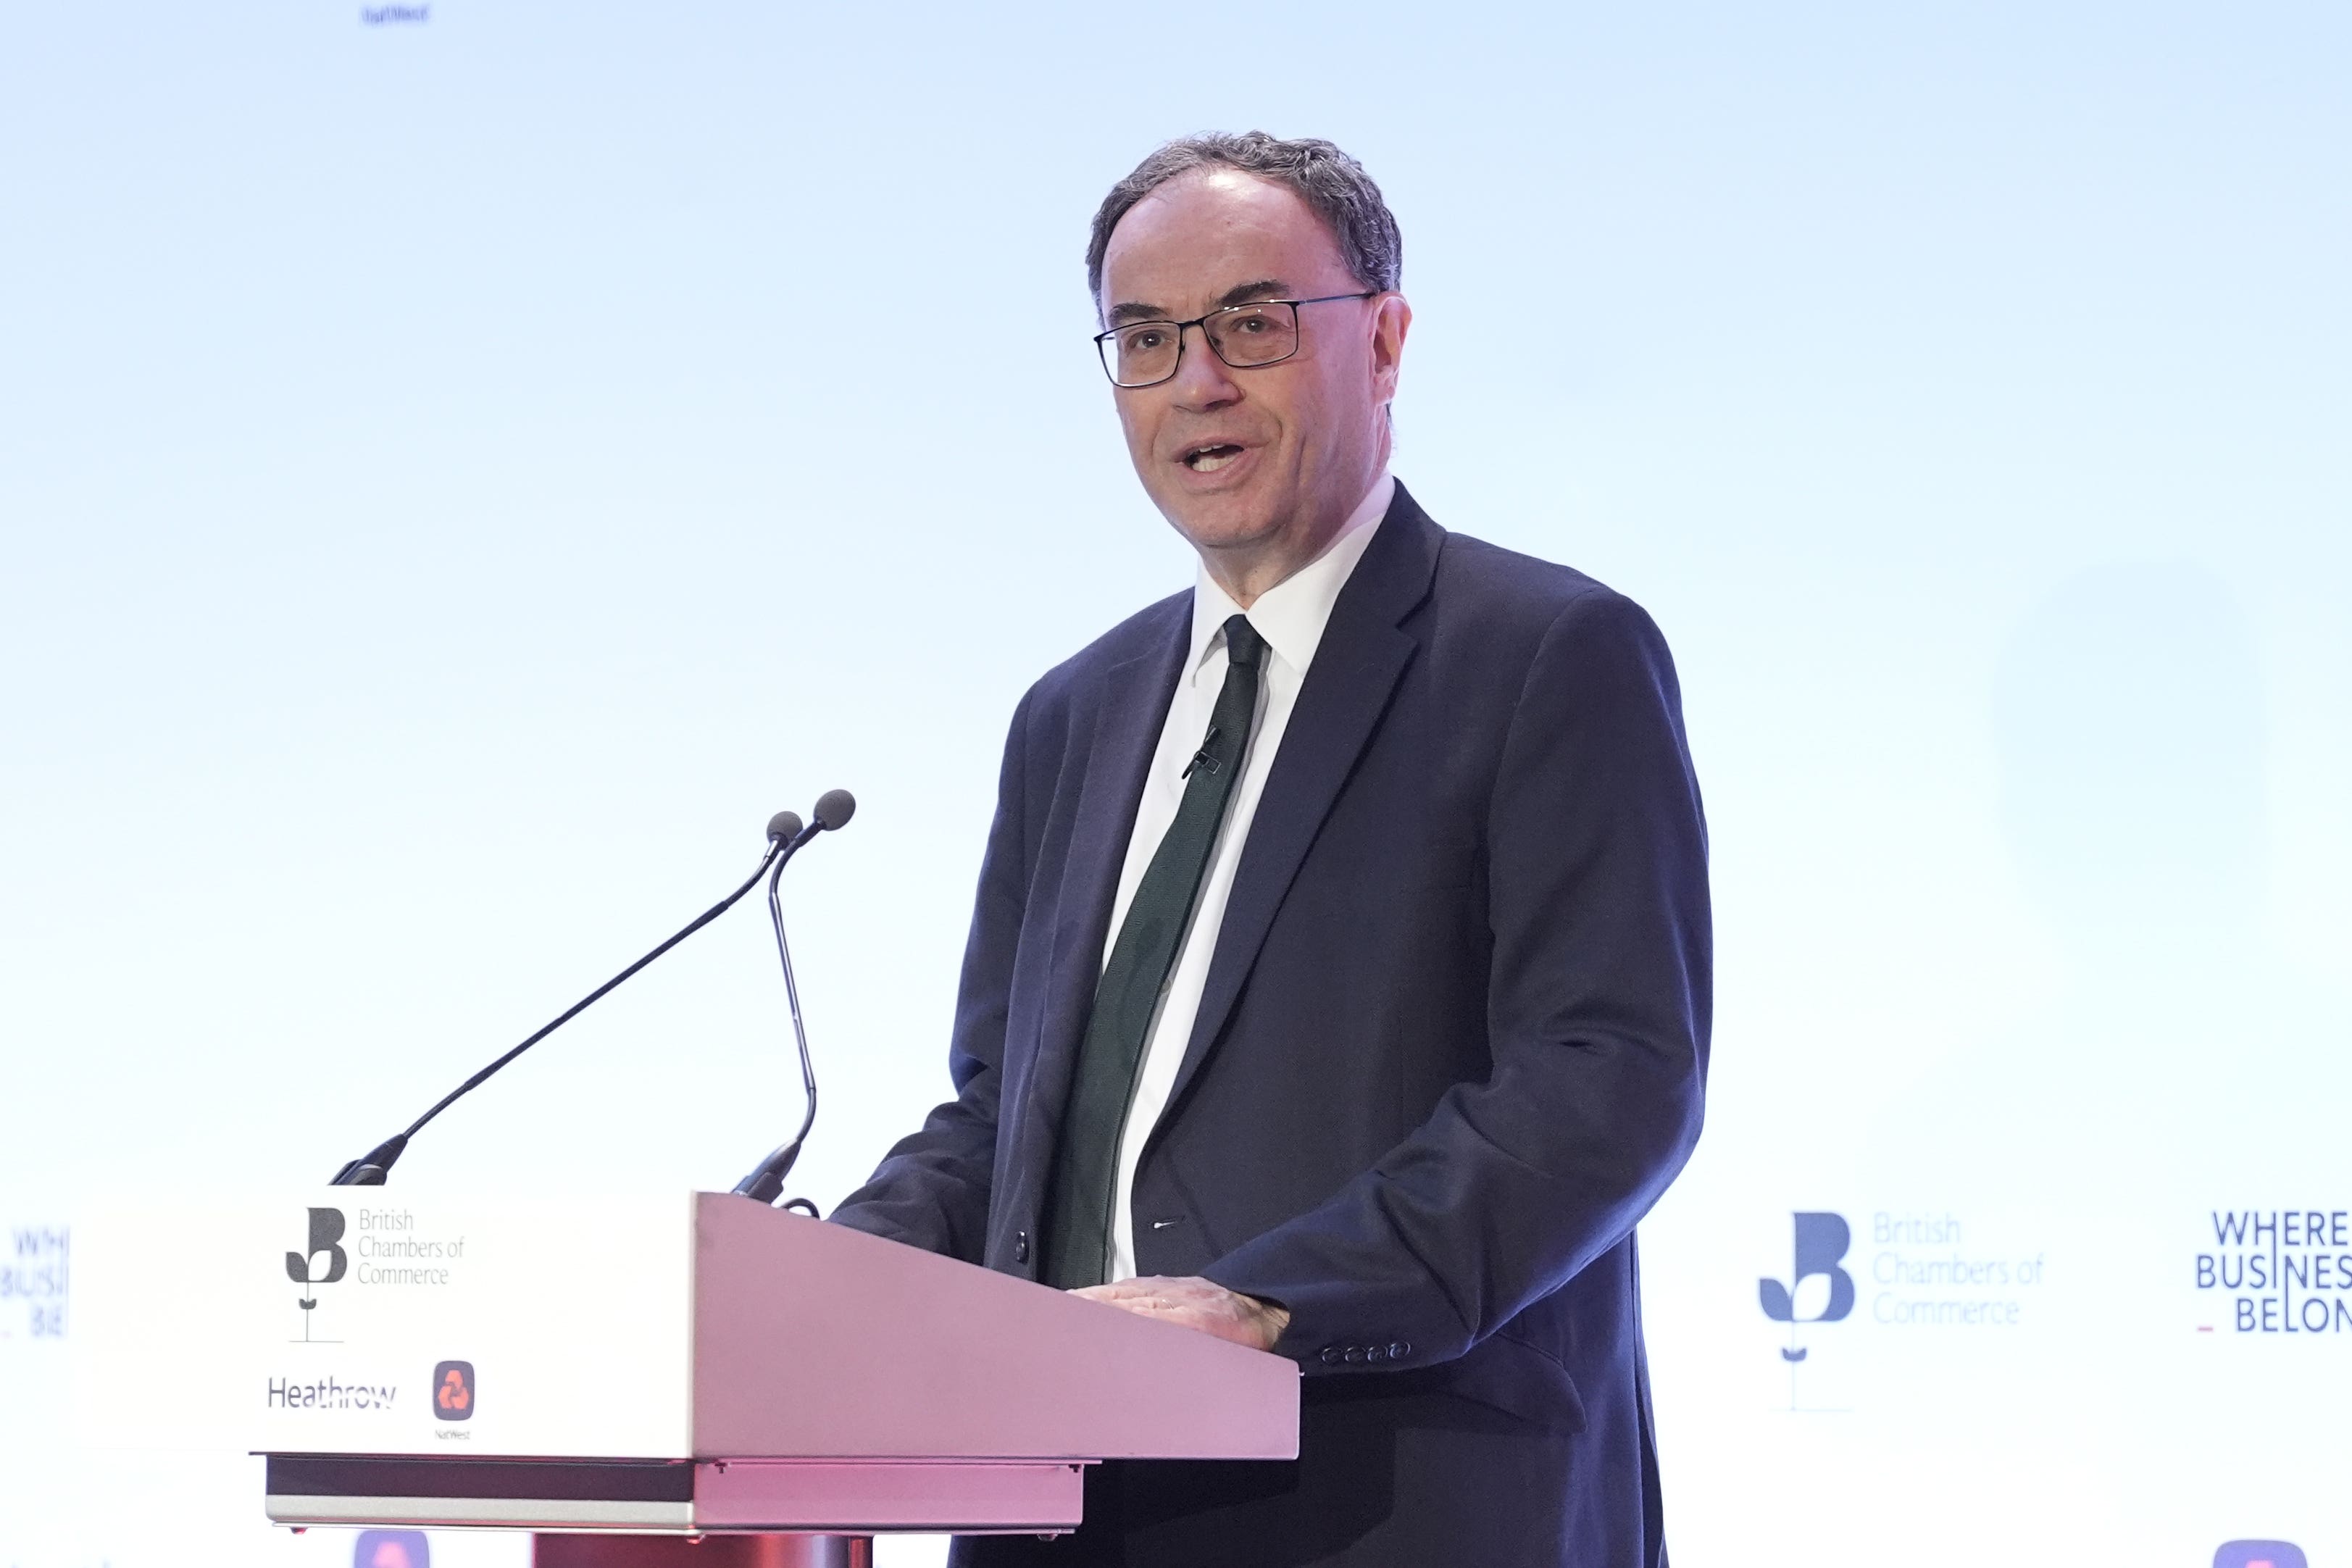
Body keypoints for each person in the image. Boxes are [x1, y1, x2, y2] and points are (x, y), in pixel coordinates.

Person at [828, 131, 1711, 1567]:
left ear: (1386, 339)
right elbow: (1007, 1124)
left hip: (1396, 1508)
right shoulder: (1075, 713)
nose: (1199, 382)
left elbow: (1603, 1083)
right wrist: (813, 1276)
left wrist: (1265, 1305)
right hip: (1072, 1519)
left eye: (1252, 323)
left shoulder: (1548, 655)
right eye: (1147, 338)